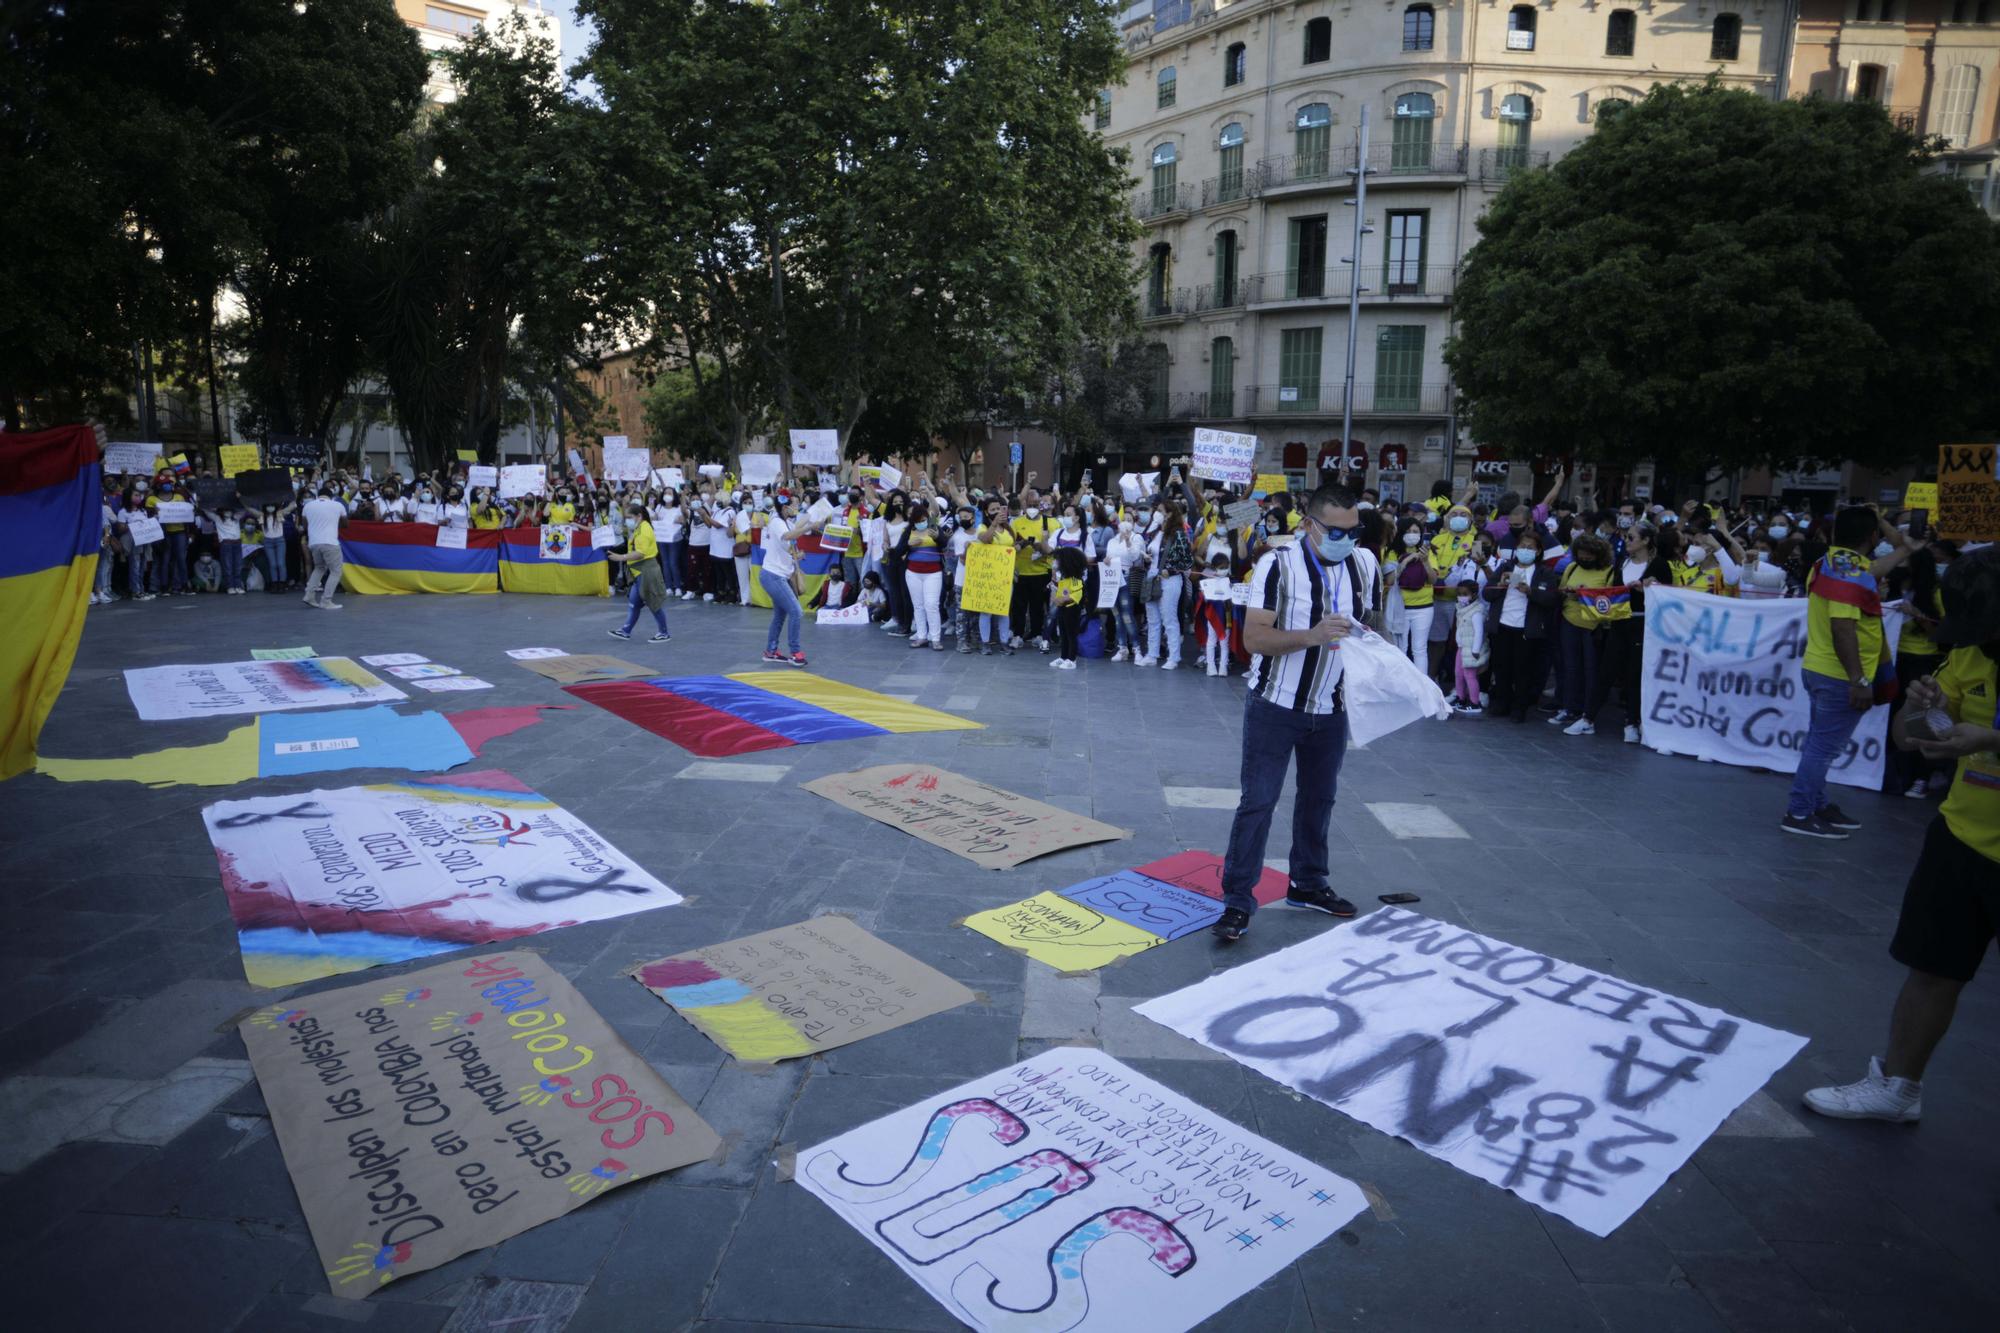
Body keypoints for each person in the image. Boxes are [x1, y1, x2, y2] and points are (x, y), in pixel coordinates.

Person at [1802, 548, 2000, 1122]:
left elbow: (1978, 739)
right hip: (1961, 837)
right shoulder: (1968, 654)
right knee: (1931, 967)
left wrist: (1986, 741)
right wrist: (1924, 709)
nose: (1978, 643)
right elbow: (1911, 738)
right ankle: (1897, 1088)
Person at [1212, 483, 1379, 943]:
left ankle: (1308, 883)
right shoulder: (1276, 566)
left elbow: (1373, 625)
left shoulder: (1365, 564)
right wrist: (1313, 635)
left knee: (1319, 800)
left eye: (1354, 530)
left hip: (1333, 709)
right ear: (1309, 524)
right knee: (1258, 803)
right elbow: (1254, 640)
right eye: (1336, 531)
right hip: (1275, 705)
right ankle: (1237, 902)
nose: (1347, 539)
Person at [1782, 507, 1908, 838]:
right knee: (1822, 748)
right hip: (1839, 676)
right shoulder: (1846, 574)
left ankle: (1817, 804)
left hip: (1823, 671)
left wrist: (1883, 526)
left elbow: (1890, 557)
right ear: (1871, 538)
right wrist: (1859, 679)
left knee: (1819, 743)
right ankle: (1798, 812)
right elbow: (1843, 628)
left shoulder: (1835, 564)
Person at [759, 493, 824, 666]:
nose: (796, 508)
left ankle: (771, 651)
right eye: (793, 505)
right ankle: (795, 652)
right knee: (796, 611)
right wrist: (809, 525)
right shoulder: (776, 522)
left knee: (780, 615)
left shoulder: (786, 522)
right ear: (784, 507)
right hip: (773, 575)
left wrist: (814, 513)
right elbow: (789, 536)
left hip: (780, 574)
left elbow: (797, 527)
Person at [604, 500, 672, 643]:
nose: (627, 521)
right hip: (639, 572)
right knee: (634, 602)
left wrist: (620, 557)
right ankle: (625, 631)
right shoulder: (639, 528)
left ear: (639, 516)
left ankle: (664, 633)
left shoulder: (644, 529)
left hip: (647, 571)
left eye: (629, 517)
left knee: (654, 603)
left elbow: (640, 553)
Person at [298, 485, 348, 610]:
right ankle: (326, 600)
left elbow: (304, 524)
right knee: (336, 571)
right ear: (331, 496)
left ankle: (309, 595)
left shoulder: (307, 506)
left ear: (318, 495)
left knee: (319, 568)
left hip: (314, 543)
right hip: (330, 542)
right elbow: (345, 524)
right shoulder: (337, 505)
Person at [1453, 575, 1488, 715]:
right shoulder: (1462, 609)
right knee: (1458, 674)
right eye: (1459, 594)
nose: (1461, 597)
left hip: (1471, 649)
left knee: (1470, 676)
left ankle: (1474, 702)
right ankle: (1461, 699)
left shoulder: (1477, 612)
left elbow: (1479, 632)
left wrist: (1475, 650)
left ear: (1474, 594)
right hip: (1461, 648)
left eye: (1465, 594)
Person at [1049, 547, 1087, 670]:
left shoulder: (1076, 579)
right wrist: (1055, 584)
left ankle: (1072, 659)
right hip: (1062, 608)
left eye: (1059, 560)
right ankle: (1063, 656)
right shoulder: (1065, 578)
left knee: (1071, 634)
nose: (1057, 563)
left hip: (1071, 609)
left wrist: (1064, 599)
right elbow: (1063, 589)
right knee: (1064, 634)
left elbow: (1077, 594)